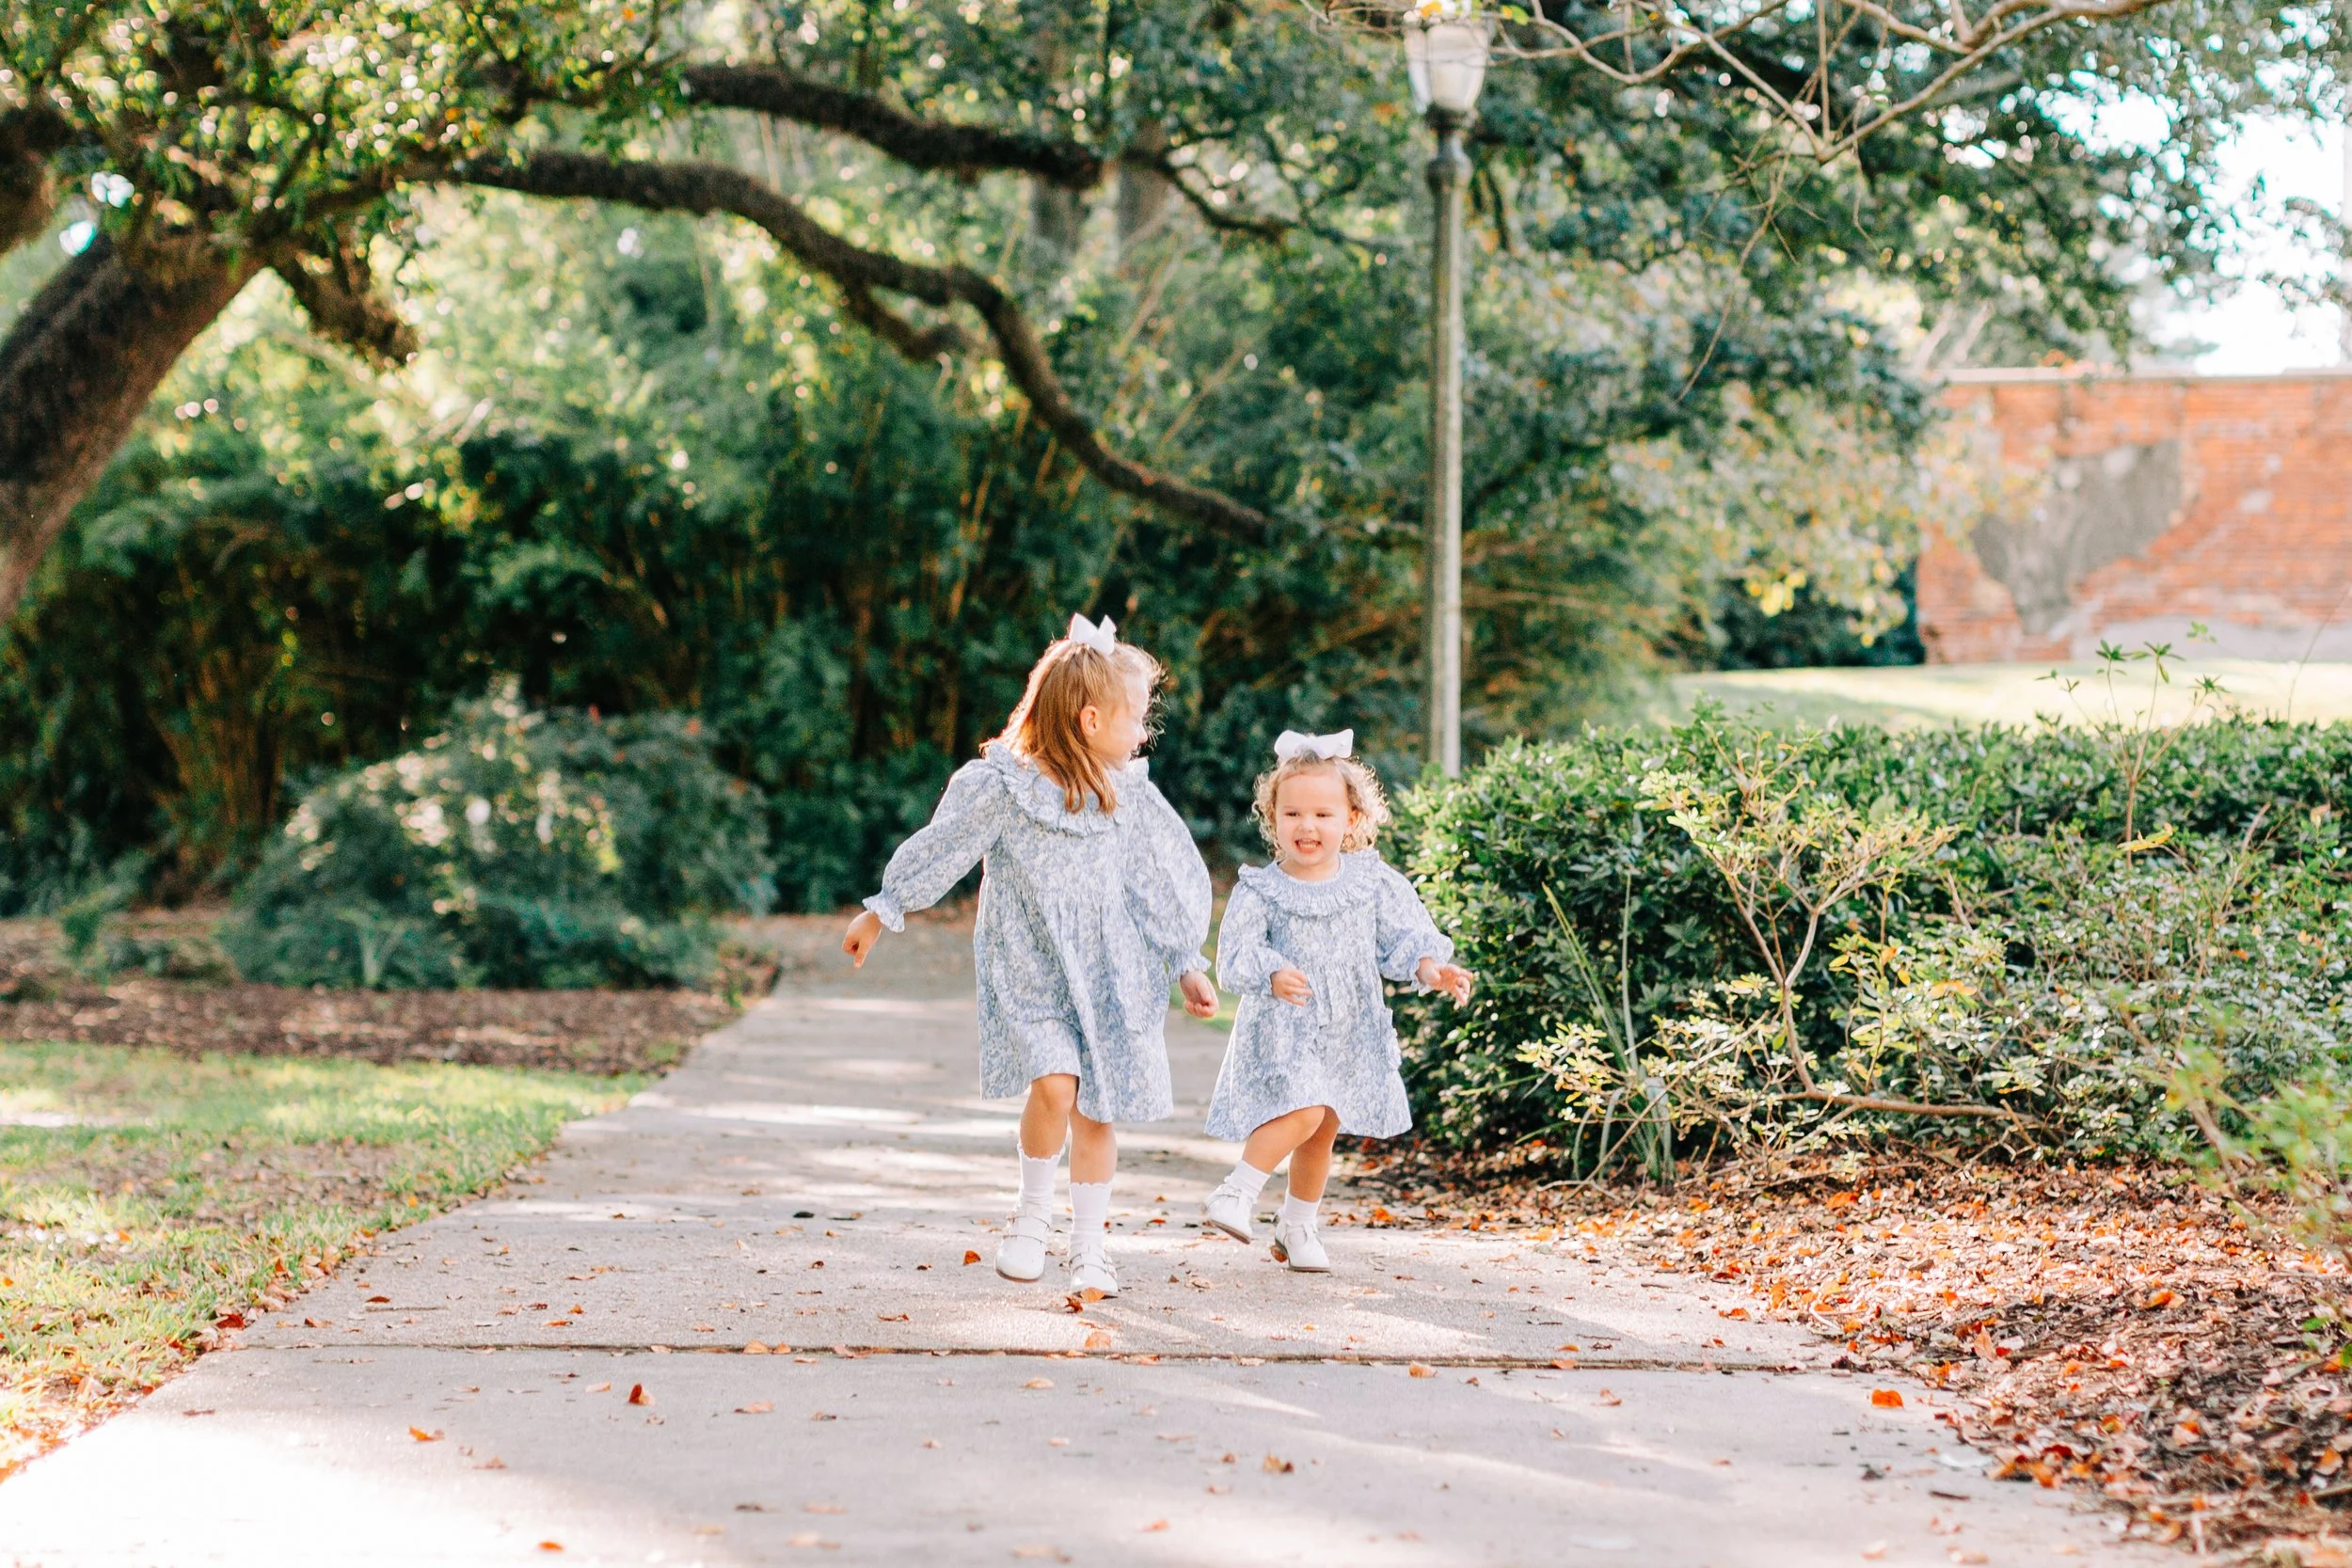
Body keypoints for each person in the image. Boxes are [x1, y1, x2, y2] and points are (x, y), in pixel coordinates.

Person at [841, 614, 1216, 1296]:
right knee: (1053, 1083)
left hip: (1108, 973)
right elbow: (946, 843)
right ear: (1089, 719)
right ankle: (1032, 1216)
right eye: (1135, 719)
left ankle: (1090, 1245)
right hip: (1032, 966)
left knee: (1095, 1109)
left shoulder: (1125, 792)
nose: (1142, 735)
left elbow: (1155, 882)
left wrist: (1186, 960)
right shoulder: (1006, 787)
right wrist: (885, 906)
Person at [1202, 729, 1473, 1272]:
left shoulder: (1370, 881)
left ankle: (1298, 1225)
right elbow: (1234, 955)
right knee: (1303, 1109)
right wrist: (1272, 971)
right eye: (1294, 814)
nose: (1308, 826)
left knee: (1323, 1128)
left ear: (1351, 820)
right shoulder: (1261, 889)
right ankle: (1237, 1189)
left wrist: (1429, 967)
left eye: (1323, 815)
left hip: (1348, 1026)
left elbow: (1402, 938)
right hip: (1285, 1027)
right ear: (1273, 819)